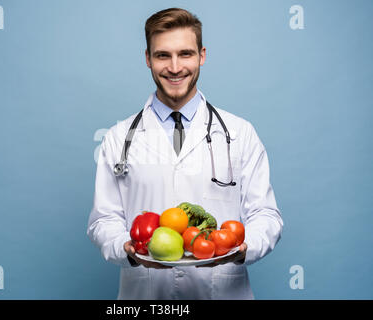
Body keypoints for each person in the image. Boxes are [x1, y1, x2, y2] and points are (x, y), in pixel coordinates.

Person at [87, 7, 283, 299]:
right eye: (163, 55)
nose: (175, 67)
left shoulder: (240, 133)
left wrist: (245, 246)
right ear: (148, 59)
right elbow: (103, 219)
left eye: (186, 54)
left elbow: (265, 214)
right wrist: (124, 248)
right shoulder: (118, 138)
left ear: (202, 55)